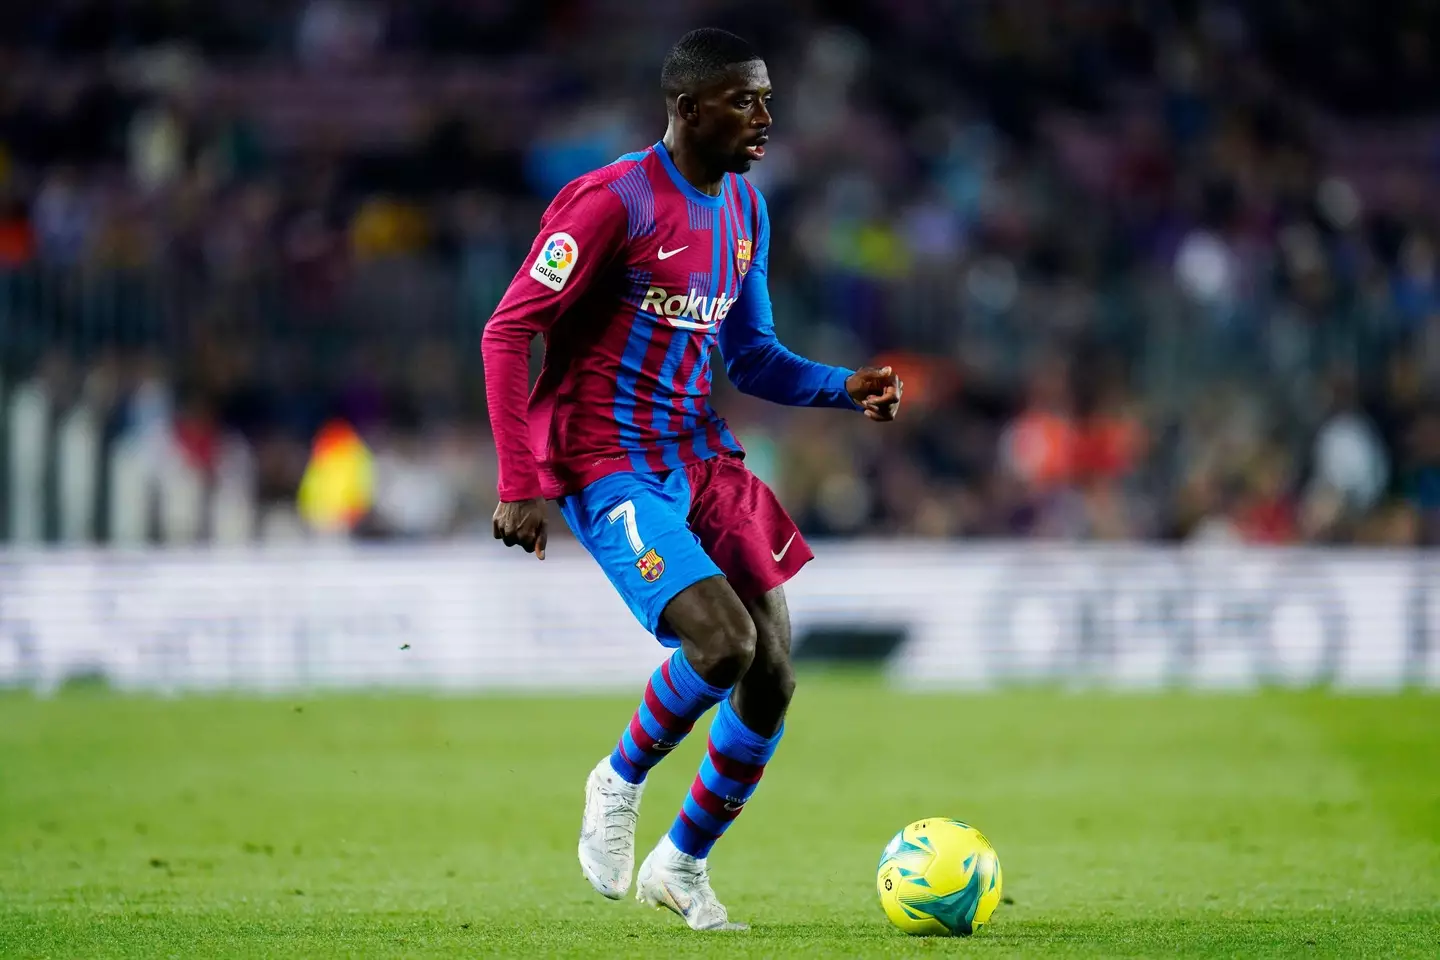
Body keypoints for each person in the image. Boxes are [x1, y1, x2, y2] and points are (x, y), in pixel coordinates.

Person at [481, 27, 902, 931]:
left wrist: (843, 387)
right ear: (686, 107)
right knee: (721, 645)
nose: (764, 117)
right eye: (744, 100)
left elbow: (750, 357)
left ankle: (681, 865)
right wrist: (522, 480)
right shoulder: (611, 203)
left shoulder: (746, 208)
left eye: (768, 99)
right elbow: (507, 330)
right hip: (609, 462)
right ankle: (617, 779)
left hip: (699, 453)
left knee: (774, 674)